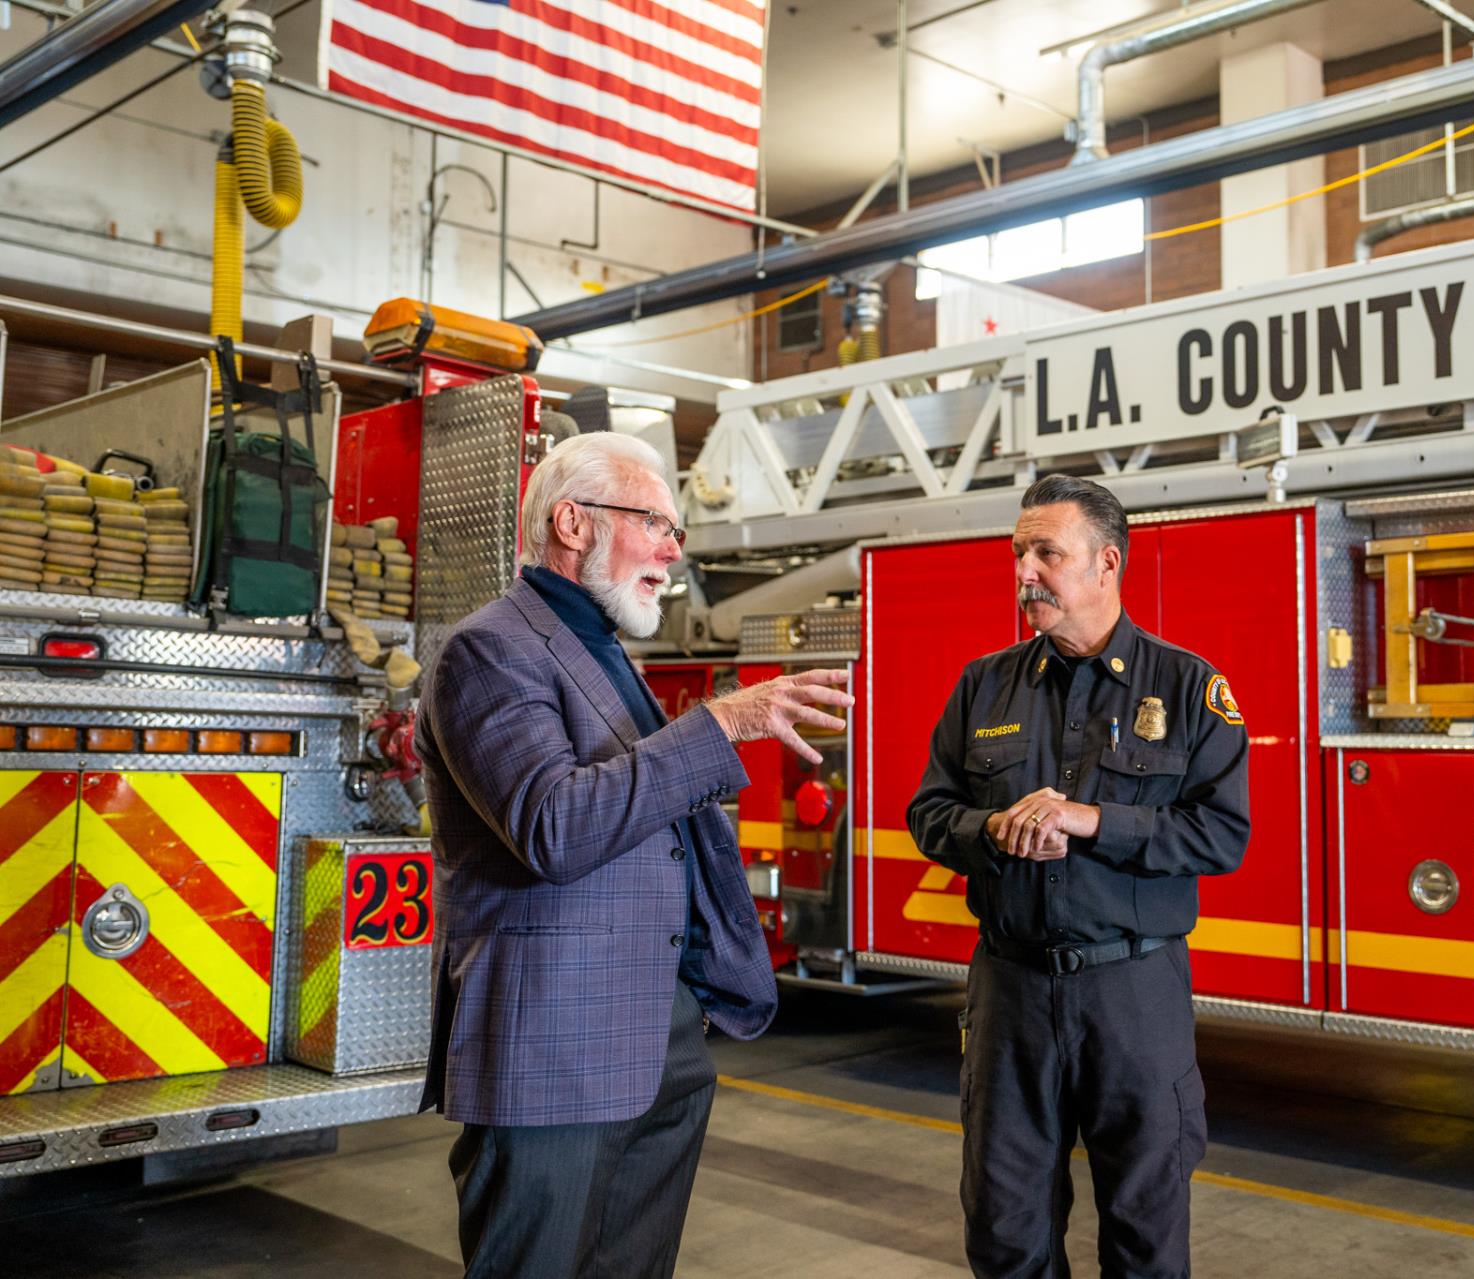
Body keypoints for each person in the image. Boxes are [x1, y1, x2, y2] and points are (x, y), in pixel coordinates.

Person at [415, 432, 852, 1278]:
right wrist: (722, 723)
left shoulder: (601, 650)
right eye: (656, 521)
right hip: (554, 1051)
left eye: (675, 530)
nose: (673, 550)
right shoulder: (488, 650)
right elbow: (555, 826)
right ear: (571, 522)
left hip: (658, 1038)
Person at [907, 474, 1251, 1278]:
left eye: (1046, 553)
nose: (1025, 572)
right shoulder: (982, 684)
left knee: (1145, 1225)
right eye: (1019, 553)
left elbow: (1222, 832)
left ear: (1106, 563)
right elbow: (929, 813)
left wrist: (1093, 818)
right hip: (1010, 994)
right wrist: (991, 828)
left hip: (1133, 994)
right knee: (1005, 1225)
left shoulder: (1189, 688)